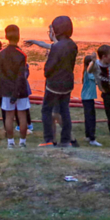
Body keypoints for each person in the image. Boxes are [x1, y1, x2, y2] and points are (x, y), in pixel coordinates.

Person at [34, 16, 77, 147]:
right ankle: (66, 140)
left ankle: (48, 140)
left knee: (46, 110)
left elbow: (48, 69)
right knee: (65, 110)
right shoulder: (72, 45)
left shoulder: (56, 47)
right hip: (68, 83)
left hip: (54, 84)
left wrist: (47, 68)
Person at [0, 25, 31, 148]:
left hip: (6, 90)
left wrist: (9, 91)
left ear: (6, 36)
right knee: (22, 116)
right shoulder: (22, 55)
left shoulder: (1, 54)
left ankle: (10, 142)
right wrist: (16, 92)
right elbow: (21, 76)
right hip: (20, 90)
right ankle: (22, 142)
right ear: (19, 36)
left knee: (9, 116)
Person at [81, 54, 100, 146]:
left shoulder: (87, 72)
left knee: (88, 117)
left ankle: (88, 135)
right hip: (88, 98)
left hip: (87, 98)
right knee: (91, 118)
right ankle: (92, 139)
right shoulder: (89, 73)